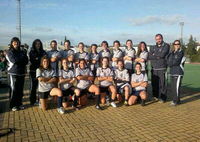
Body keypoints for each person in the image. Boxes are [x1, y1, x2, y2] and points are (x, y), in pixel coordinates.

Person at [6, 37, 28, 111]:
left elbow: (26, 61)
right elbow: (14, 60)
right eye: (14, 42)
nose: (16, 43)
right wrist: (21, 60)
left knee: (20, 90)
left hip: (21, 73)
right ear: (12, 43)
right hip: (13, 73)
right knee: (13, 89)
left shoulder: (22, 52)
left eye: (17, 42)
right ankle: (13, 105)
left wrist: (21, 60)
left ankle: (19, 103)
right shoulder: (9, 52)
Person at [149, 34, 170, 103]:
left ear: (162, 38)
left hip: (162, 68)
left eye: (159, 39)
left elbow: (163, 55)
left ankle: (163, 97)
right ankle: (155, 96)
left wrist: (154, 55)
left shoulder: (166, 46)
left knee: (163, 84)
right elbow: (150, 56)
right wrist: (158, 56)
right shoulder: (153, 47)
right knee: (154, 83)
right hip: (154, 68)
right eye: (157, 39)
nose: (158, 40)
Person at [166, 40, 186, 106]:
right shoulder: (172, 53)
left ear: (180, 45)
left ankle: (176, 101)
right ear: (173, 45)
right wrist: (171, 62)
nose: (176, 45)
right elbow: (168, 61)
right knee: (173, 87)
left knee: (177, 87)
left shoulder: (181, 52)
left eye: (178, 44)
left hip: (178, 72)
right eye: (175, 44)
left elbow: (177, 62)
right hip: (172, 72)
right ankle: (176, 99)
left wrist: (171, 62)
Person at [29, 39, 47, 105]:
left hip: (42, 71)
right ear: (34, 44)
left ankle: (40, 100)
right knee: (33, 86)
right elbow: (33, 61)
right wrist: (40, 59)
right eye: (36, 44)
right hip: (33, 71)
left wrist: (38, 59)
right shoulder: (32, 52)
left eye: (38, 44)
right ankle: (32, 101)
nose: (37, 45)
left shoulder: (43, 52)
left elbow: (45, 59)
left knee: (41, 86)